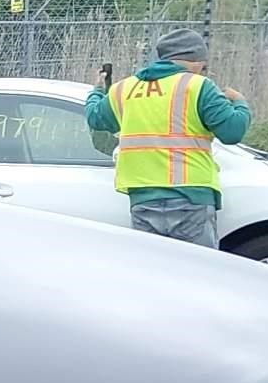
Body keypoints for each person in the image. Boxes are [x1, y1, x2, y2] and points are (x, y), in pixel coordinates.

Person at [84, 28, 252, 247]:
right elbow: (232, 131)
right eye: (204, 64)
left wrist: (97, 89)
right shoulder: (198, 86)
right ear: (194, 60)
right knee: (196, 271)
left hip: (143, 198)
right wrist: (240, 102)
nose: (203, 70)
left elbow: (95, 118)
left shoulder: (124, 88)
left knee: (156, 274)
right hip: (191, 196)